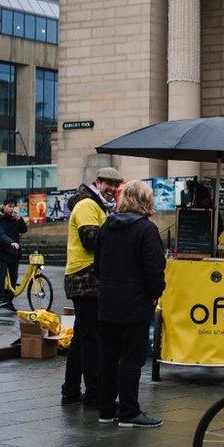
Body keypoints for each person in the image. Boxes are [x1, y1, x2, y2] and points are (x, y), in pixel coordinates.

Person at [95, 180, 167, 428]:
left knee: (108, 357)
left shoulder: (107, 226)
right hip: (135, 304)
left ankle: (106, 409)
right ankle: (128, 412)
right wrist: (155, 293)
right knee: (130, 359)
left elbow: (98, 264)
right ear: (145, 201)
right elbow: (154, 269)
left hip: (106, 301)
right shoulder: (146, 230)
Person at [61, 167, 122, 407]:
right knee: (92, 339)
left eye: (116, 186)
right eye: (109, 184)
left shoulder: (97, 206)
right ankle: (94, 394)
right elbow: (91, 240)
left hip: (84, 276)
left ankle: (71, 390)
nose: (113, 190)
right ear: (97, 182)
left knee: (82, 337)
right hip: (85, 277)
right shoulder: (87, 204)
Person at [0, 196, 28, 312]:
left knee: (13, 277)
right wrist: (11, 242)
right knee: (2, 274)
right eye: (9, 206)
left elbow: (23, 230)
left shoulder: (14, 218)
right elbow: (0, 235)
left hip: (14, 253)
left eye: (13, 206)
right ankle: (1, 298)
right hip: (2, 251)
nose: (11, 209)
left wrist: (19, 219)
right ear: (4, 206)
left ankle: (9, 301)